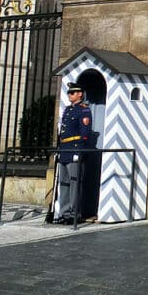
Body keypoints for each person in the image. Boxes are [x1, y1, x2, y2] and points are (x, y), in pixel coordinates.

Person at [56, 83, 91, 225]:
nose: (69, 95)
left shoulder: (84, 110)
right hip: (64, 150)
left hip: (74, 150)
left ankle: (73, 213)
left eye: (72, 93)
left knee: (74, 184)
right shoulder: (68, 110)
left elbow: (85, 133)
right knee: (63, 183)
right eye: (69, 93)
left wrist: (78, 151)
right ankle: (64, 213)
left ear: (80, 94)